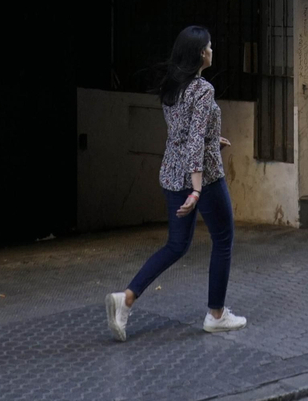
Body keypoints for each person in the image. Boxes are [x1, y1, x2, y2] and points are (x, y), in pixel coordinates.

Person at [105, 25, 246, 341]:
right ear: (201, 54)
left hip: (171, 173)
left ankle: (126, 299)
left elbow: (184, 132)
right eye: (209, 46)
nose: (212, 50)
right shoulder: (202, 89)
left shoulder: (172, 85)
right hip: (204, 176)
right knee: (223, 238)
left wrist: (212, 139)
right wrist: (197, 189)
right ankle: (216, 315)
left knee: (177, 245)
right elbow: (194, 139)